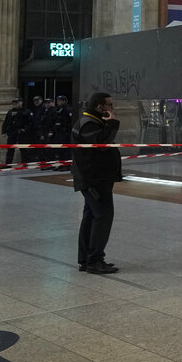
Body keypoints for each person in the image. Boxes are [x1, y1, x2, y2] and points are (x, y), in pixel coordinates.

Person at [71, 93, 122, 274]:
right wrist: (113, 123)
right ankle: (94, 260)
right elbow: (102, 143)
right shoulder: (89, 124)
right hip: (95, 180)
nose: (112, 108)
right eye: (110, 105)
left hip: (95, 178)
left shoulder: (92, 122)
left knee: (91, 217)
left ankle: (86, 259)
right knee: (103, 217)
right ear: (100, 107)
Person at [1, 97, 32, 165]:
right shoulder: (10, 111)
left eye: (17, 102)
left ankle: (24, 163)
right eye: (14, 102)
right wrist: (4, 131)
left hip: (21, 132)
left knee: (23, 148)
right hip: (12, 132)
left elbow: (30, 122)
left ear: (21, 102)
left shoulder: (26, 111)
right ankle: (8, 164)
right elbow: (6, 122)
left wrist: (25, 129)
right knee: (10, 148)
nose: (15, 104)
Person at [51, 95, 74, 169]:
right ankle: (61, 164)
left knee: (66, 150)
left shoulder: (68, 109)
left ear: (64, 101)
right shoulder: (57, 110)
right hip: (58, 132)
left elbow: (70, 122)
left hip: (65, 132)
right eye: (57, 101)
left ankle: (66, 165)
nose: (58, 102)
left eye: (60, 100)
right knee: (59, 150)